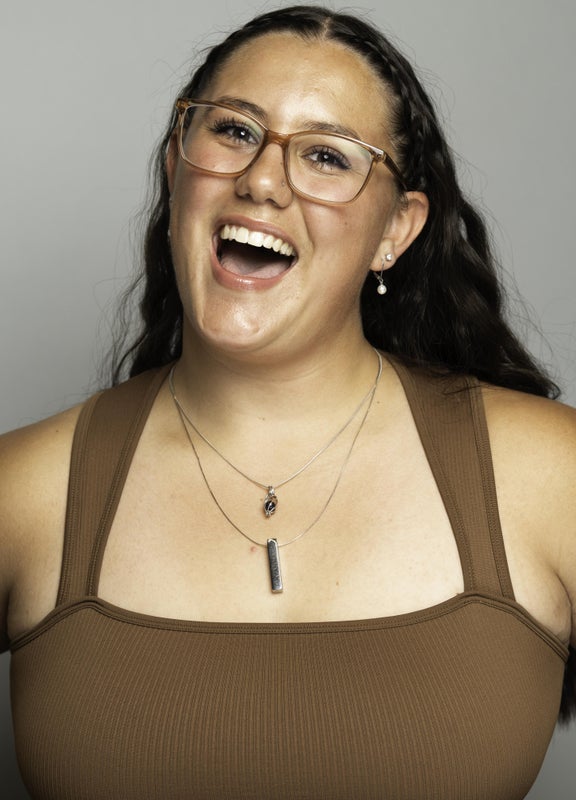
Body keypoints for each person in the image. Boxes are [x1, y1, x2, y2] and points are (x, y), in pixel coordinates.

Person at [1, 4, 575, 798]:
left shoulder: (551, 478)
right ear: (175, 168)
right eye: (234, 131)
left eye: (327, 156)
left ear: (396, 230)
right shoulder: (25, 491)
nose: (262, 181)